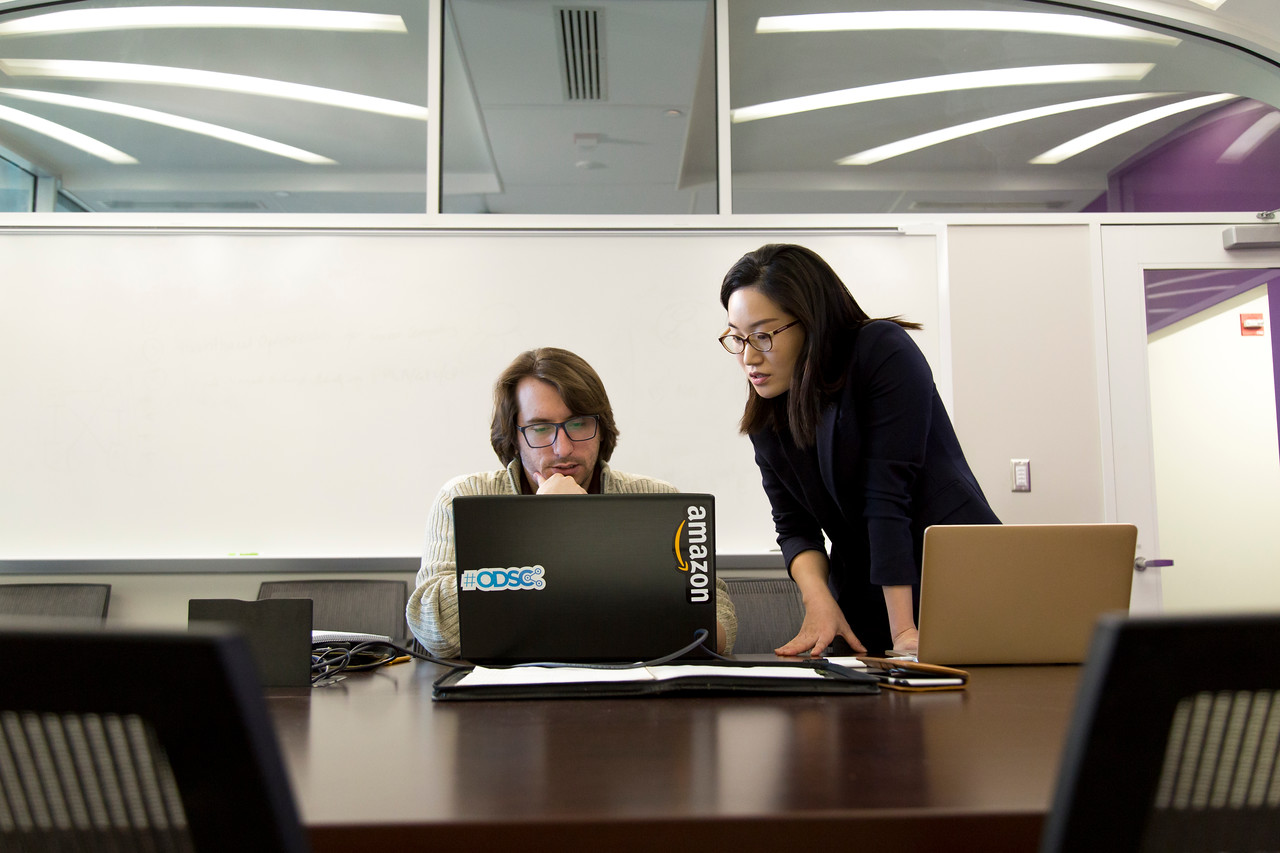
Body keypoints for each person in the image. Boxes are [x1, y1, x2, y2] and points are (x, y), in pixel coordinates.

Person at [718, 244, 998, 658]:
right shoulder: (767, 412)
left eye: (762, 336)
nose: (748, 357)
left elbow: (886, 497)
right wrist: (819, 602)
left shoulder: (881, 350)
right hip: (867, 591)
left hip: (957, 580)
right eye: (737, 338)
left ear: (810, 323)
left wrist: (904, 632)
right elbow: (794, 526)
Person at [406, 346, 737, 657]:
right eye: (540, 429)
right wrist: (542, 527)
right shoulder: (464, 498)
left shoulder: (657, 498)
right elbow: (434, 628)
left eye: (578, 424)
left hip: (630, 695)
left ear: (602, 429)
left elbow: (716, 617)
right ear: (513, 436)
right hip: (502, 703)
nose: (562, 448)